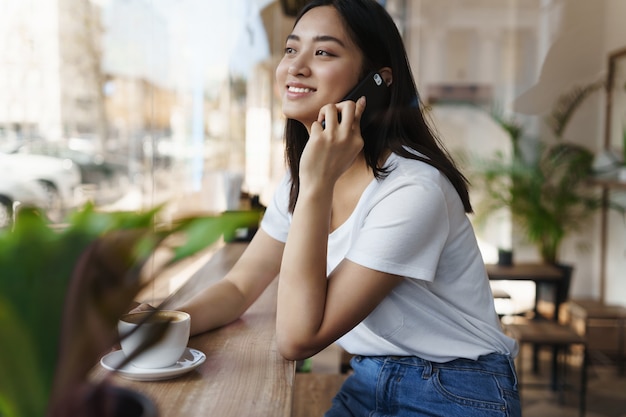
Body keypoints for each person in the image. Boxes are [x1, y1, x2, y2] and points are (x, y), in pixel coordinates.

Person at [163, 1, 521, 415]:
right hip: (371, 378)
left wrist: (316, 184)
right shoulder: (302, 180)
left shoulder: (412, 190)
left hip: (458, 389)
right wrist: (161, 326)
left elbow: (299, 337)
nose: (295, 67)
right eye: (291, 49)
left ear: (377, 81)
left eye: (323, 52)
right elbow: (240, 286)